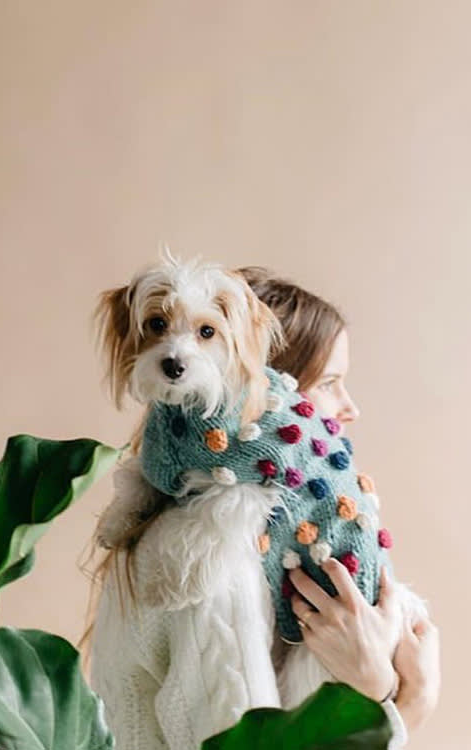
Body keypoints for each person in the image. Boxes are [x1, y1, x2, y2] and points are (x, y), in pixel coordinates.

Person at [86, 267, 440, 749]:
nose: (349, 408)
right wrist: (400, 701)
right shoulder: (204, 562)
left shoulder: (211, 534)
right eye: (330, 382)